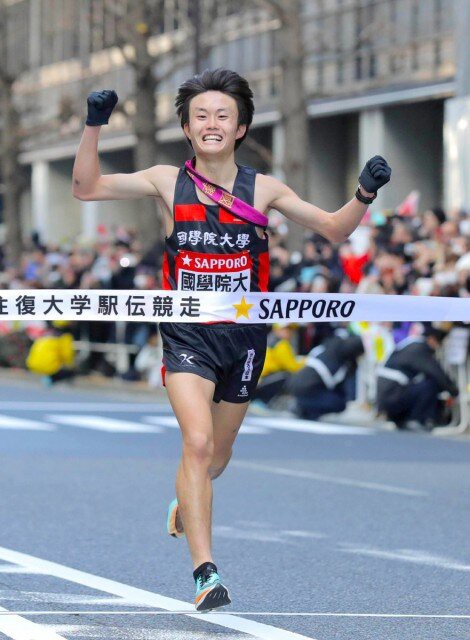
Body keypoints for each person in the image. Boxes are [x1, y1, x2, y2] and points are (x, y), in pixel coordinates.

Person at [72, 68, 391, 611]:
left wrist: (363, 192)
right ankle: (205, 572)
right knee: (195, 443)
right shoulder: (165, 179)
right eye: (201, 116)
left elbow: (336, 229)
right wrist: (94, 125)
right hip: (186, 331)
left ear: (240, 127)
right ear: (188, 127)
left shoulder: (264, 189)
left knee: (217, 455)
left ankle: (187, 497)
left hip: (244, 339)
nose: (212, 124)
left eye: (223, 115)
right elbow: (86, 187)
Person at [376, 324, 459, 432]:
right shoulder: (420, 348)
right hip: (393, 395)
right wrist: (454, 391)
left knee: (418, 383)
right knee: (430, 384)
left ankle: (401, 419)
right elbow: (435, 372)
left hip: (387, 394)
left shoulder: (409, 344)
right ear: (432, 339)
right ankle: (417, 419)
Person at [287, 329, 364, 420]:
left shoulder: (330, 345)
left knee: (332, 397)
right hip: (309, 386)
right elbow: (345, 389)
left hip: (296, 380)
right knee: (339, 404)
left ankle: (304, 409)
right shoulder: (346, 361)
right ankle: (302, 406)